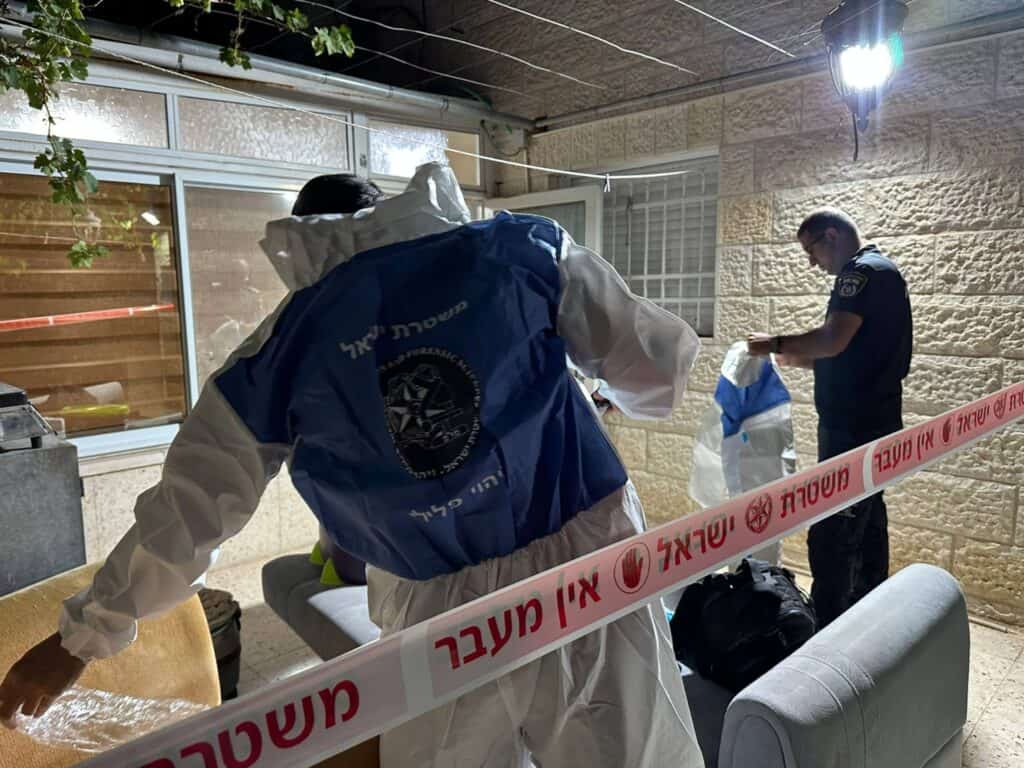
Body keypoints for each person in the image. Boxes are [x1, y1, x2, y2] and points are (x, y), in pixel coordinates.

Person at [0, 164, 705, 768]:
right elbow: (659, 371)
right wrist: (582, 387)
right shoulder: (522, 251)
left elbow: (190, 508)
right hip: (588, 571)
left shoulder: (277, 354)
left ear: (303, 242)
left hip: (437, 615)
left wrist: (79, 641)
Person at [746, 207, 912, 627]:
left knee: (834, 532)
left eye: (812, 250)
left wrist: (774, 342)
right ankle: (867, 619)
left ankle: (827, 632)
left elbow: (834, 339)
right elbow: (856, 353)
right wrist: (800, 358)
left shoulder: (861, 273)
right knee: (867, 525)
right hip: (870, 423)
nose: (812, 263)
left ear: (832, 236)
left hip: (853, 429)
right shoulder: (882, 271)